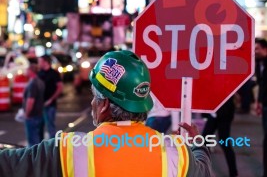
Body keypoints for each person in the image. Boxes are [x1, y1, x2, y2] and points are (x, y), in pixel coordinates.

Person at [0, 50, 213, 176]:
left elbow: (9, 164)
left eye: (95, 98)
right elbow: (203, 170)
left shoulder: (67, 151)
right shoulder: (177, 155)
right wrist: (197, 144)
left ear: (104, 106)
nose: (93, 103)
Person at [202, 96, 238, 177]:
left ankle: (233, 173)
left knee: (224, 142)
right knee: (204, 141)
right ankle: (203, 169)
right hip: (214, 113)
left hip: (224, 112)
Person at [38, 54, 63, 138]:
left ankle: (52, 148)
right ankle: (39, 147)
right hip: (40, 105)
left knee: (50, 126)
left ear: (45, 62)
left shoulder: (54, 73)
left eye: (40, 61)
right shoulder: (39, 73)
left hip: (50, 105)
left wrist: (51, 100)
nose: (39, 63)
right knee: (39, 127)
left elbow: (59, 88)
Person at [23, 59, 45, 146]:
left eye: (27, 70)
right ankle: (41, 158)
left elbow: (30, 101)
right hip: (40, 114)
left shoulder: (32, 84)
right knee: (39, 140)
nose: (26, 71)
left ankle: (35, 159)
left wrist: (27, 114)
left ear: (31, 71)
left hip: (32, 116)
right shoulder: (40, 82)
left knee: (33, 143)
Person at [255, 37, 267, 177]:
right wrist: (258, 102)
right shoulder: (258, 63)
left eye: (257, 49)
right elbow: (261, 85)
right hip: (265, 105)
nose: (255, 52)